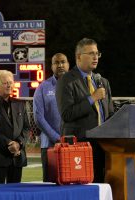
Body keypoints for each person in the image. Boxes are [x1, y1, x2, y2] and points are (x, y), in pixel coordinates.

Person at [56, 38, 114, 183]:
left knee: (100, 187)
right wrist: (92, 98)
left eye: (97, 53)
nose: (95, 57)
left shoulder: (103, 82)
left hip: (102, 146)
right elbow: (67, 114)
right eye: (91, 53)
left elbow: (110, 114)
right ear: (79, 57)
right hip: (79, 147)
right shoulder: (67, 80)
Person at [0, 70, 30, 184]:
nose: (9, 85)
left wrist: (18, 144)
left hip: (17, 157)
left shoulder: (20, 104)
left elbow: (26, 128)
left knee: (15, 193)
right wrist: (9, 144)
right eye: (5, 83)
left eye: (11, 82)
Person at [33, 53, 70, 182]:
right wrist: (57, 138)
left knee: (74, 183)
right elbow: (39, 118)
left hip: (74, 145)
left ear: (68, 64)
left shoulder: (77, 85)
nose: (60, 65)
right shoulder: (42, 88)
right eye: (56, 62)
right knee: (50, 184)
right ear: (52, 66)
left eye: (63, 62)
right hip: (50, 146)